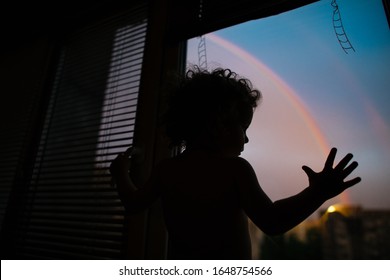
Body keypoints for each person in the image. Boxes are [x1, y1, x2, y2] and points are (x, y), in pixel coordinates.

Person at [110, 67, 361, 259]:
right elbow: (272, 221)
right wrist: (317, 193)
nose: (247, 138)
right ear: (218, 124)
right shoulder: (235, 170)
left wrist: (121, 171)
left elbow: (133, 203)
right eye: (244, 128)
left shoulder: (166, 170)